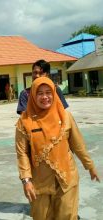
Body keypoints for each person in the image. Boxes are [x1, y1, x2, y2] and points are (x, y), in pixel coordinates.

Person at [15, 76, 100, 220]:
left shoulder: (66, 117)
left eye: (48, 92)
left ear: (54, 93)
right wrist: (26, 180)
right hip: (40, 183)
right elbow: (22, 153)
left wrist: (90, 166)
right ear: (33, 95)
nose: (45, 97)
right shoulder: (24, 122)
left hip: (67, 178)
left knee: (67, 215)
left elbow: (78, 145)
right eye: (40, 93)